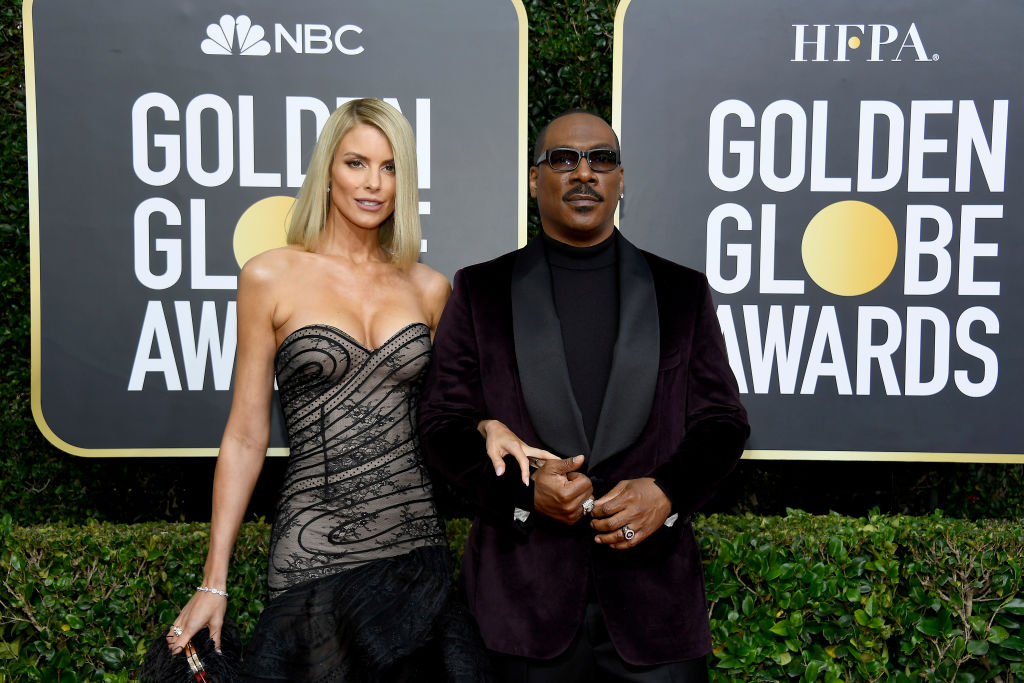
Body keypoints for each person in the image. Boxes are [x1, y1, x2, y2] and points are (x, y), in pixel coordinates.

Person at [417, 110, 750, 681]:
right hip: (520, 612)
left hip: (655, 616)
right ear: (533, 178)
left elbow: (722, 421)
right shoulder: (482, 289)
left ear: (621, 179)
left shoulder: (680, 291)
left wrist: (667, 492)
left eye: (602, 159)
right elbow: (443, 423)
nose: (584, 173)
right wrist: (524, 494)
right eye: (564, 159)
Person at [165, 98, 488, 681]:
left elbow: (455, 412)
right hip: (311, 556)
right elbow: (244, 436)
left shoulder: (429, 287)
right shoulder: (270, 276)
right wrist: (215, 580)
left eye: (390, 168)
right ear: (327, 172)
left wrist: (494, 425)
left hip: (415, 554)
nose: (373, 183)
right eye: (357, 163)